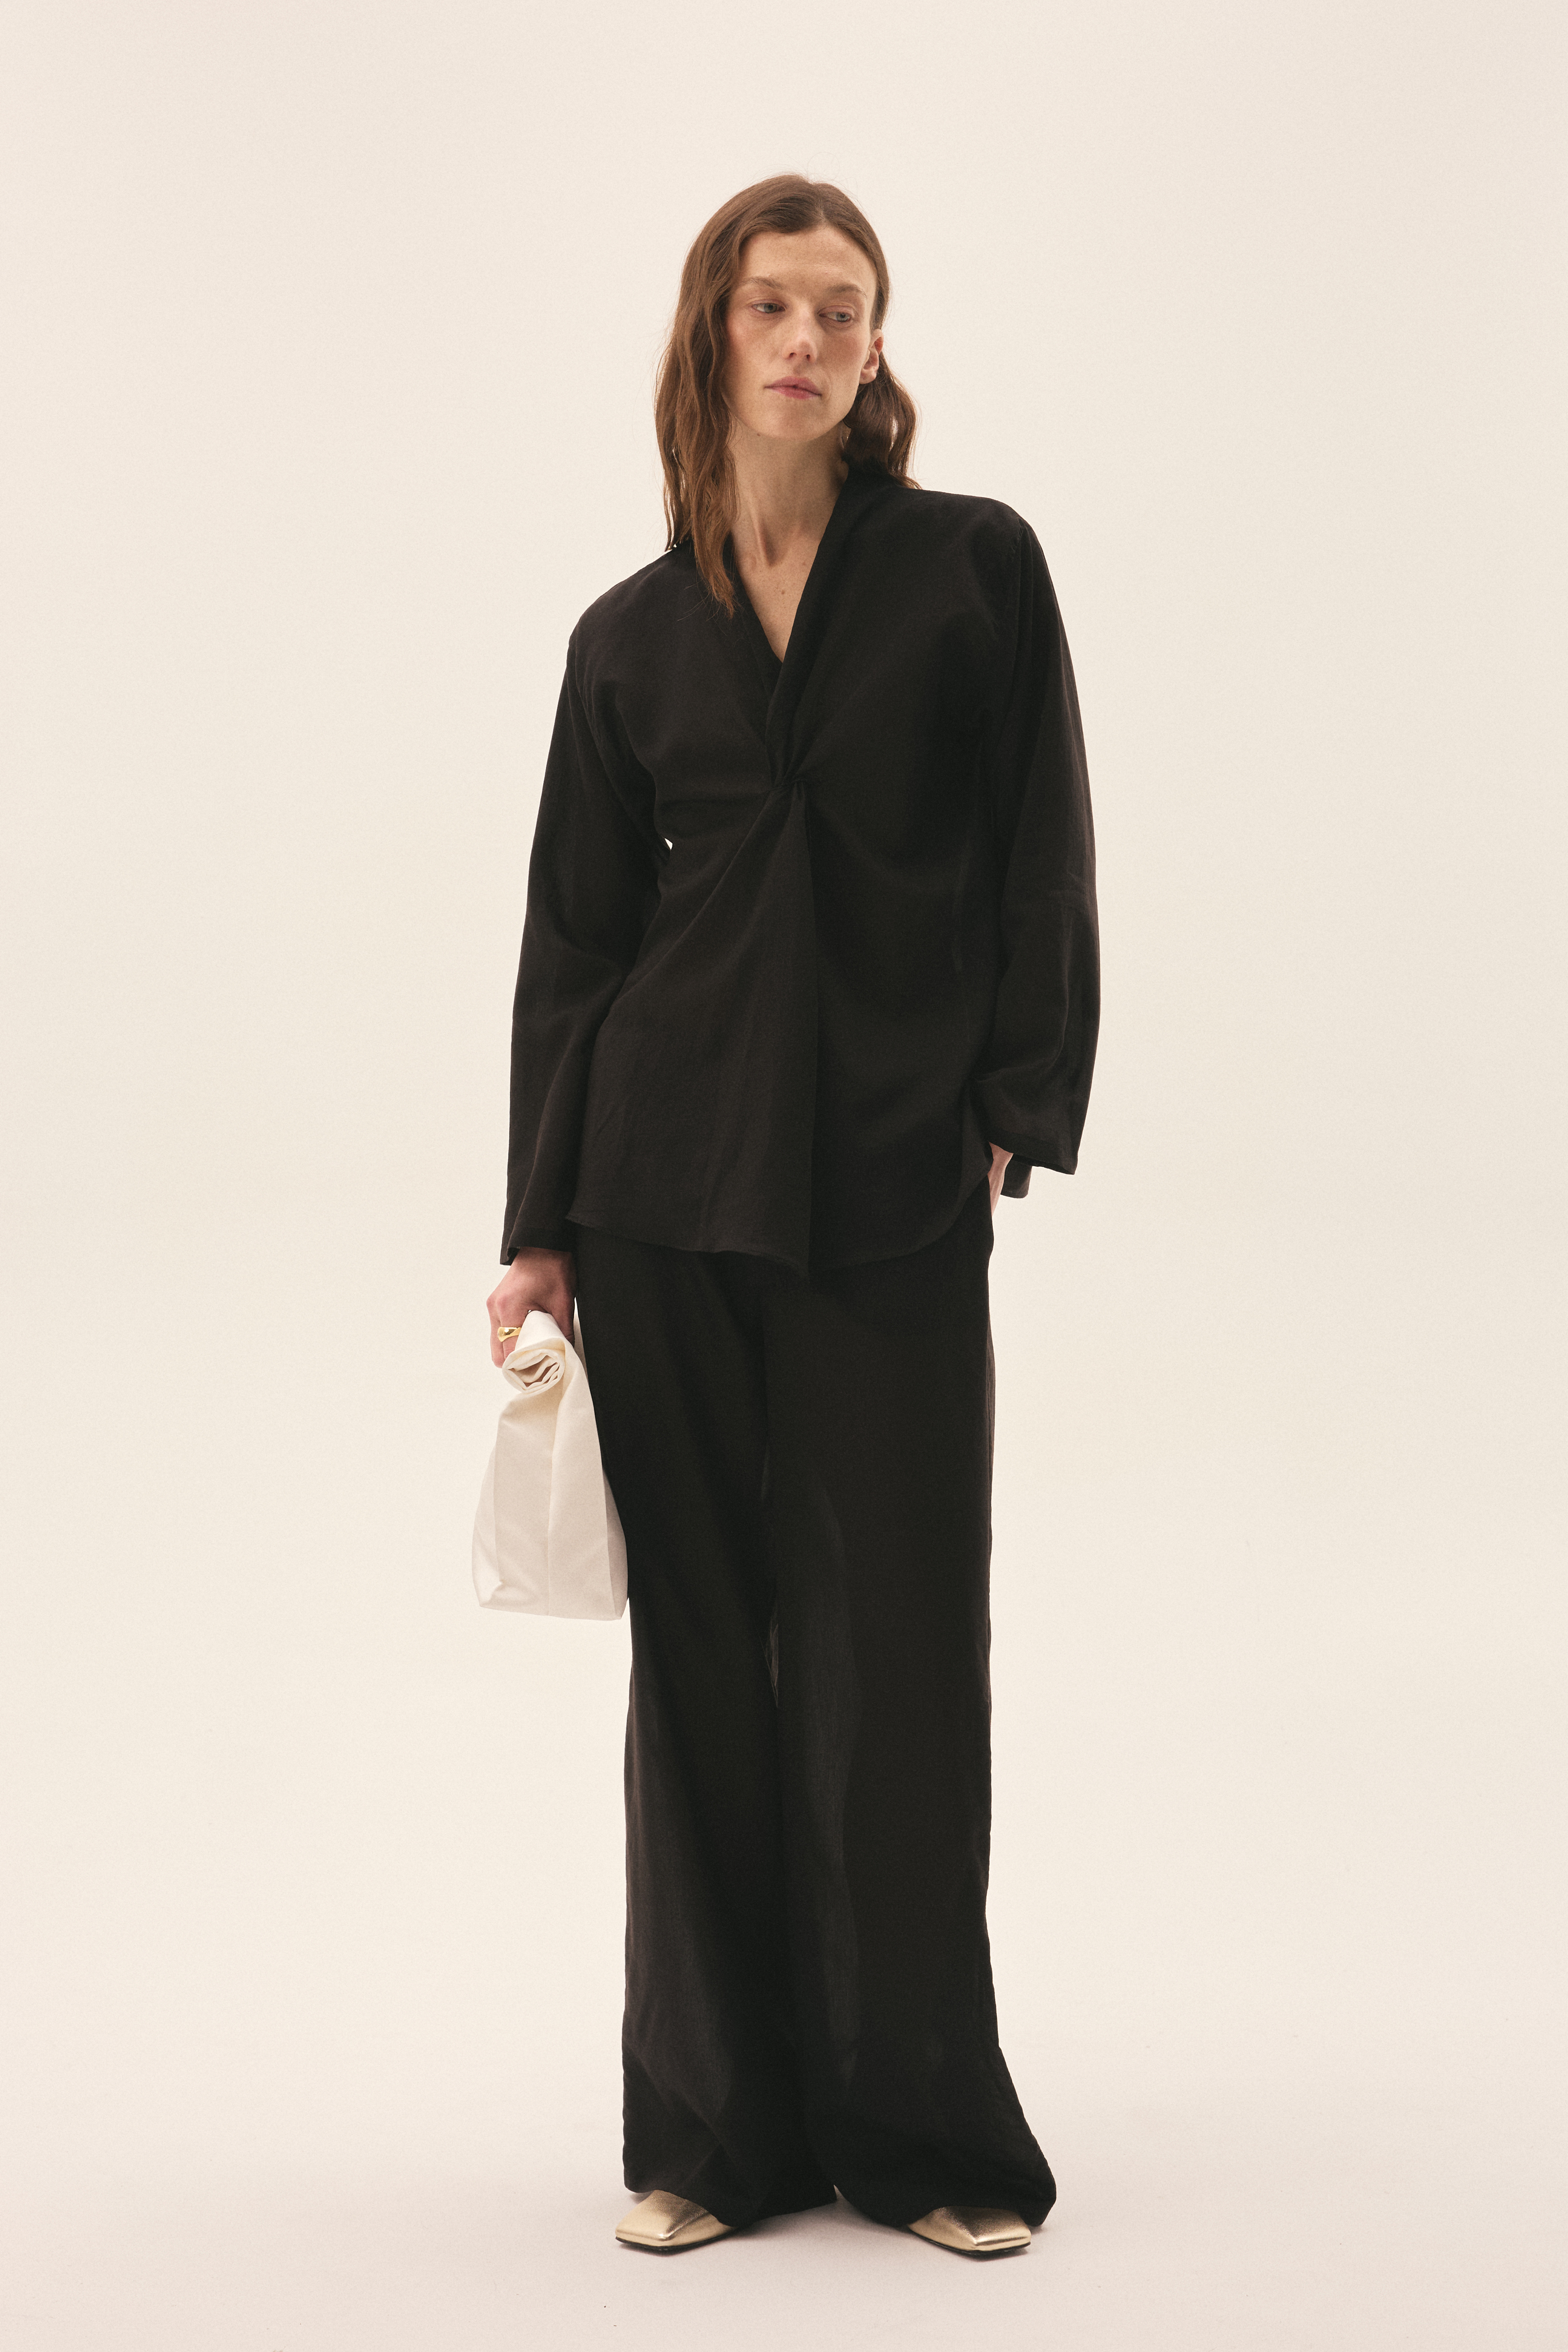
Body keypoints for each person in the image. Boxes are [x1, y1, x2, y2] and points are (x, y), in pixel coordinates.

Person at [486, 173, 1098, 2260]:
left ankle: (923, 2135)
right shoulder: (627, 636)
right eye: (774, 305)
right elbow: (577, 945)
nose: (810, 340)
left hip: (891, 1185)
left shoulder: (968, 569)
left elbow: (1038, 841)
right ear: (714, 332)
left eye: (843, 308)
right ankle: (713, 2135)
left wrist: (1011, 1104)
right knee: (698, 1672)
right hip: (661, 1195)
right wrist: (541, 1223)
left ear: (874, 346)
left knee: (897, 1656)